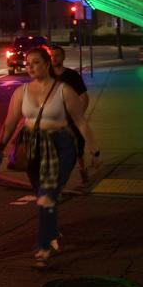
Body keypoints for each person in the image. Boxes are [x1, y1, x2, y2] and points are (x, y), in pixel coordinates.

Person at [0, 47, 99, 269]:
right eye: (28, 63)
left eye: (35, 62)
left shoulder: (64, 90)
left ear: (47, 64)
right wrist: (0, 146)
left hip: (61, 146)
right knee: (42, 195)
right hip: (33, 146)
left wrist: (94, 149)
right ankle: (51, 231)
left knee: (47, 195)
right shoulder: (21, 92)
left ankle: (44, 248)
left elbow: (80, 121)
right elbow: (11, 122)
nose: (30, 67)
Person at [51, 45, 91, 185]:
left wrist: (79, 116)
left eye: (57, 55)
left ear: (63, 57)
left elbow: (84, 96)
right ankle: (57, 179)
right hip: (53, 121)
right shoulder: (46, 76)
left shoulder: (72, 75)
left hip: (71, 119)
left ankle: (83, 170)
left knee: (78, 147)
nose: (54, 58)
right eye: (51, 55)